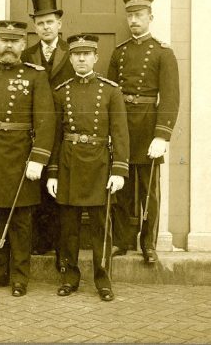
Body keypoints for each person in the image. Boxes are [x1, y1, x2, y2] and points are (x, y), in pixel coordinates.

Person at [0, 20, 55, 297]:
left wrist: (38, 159)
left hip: (21, 157)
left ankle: (20, 277)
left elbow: (46, 121)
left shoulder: (36, 76)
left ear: (22, 45)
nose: (8, 46)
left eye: (15, 41)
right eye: (3, 40)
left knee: (21, 220)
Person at [47, 34, 129, 302]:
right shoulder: (61, 92)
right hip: (70, 162)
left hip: (100, 165)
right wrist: (53, 172)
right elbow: (55, 137)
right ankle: (70, 277)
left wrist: (119, 170)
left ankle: (102, 279)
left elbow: (120, 134)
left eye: (87, 54)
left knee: (100, 226)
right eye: (76, 54)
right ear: (70, 58)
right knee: (68, 225)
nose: (81, 59)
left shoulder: (111, 91)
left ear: (95, 57)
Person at [109, 0, 180, 264]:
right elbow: (111, 95)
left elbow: (171, 96)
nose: (134, 20)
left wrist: (162, 135)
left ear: (150, 17)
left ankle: (148, 244)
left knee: (149, 191)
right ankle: (122, 241)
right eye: (130, 15)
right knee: (122, 187)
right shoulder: (120, 52)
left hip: (149, 126)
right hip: (123, 125)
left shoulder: (163, 52)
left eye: (139, 15)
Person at [21, 0, 74, 259]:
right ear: (34, 26)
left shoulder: (72, 54)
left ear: (59, 24)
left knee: (61, 186)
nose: (45, 27)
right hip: (37, 129)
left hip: (66, 129)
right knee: (36, 184)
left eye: (50, 22)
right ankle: (38, 242)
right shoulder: (27, 54)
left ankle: (59, 244)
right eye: (40, 23)